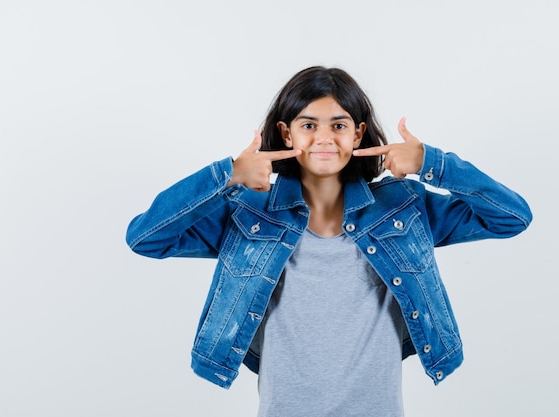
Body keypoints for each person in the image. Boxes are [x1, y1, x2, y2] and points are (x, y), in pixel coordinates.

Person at [125, 66, 532, 416]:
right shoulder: (249, 214)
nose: (324, 138)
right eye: (308, 125)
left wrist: (433, 164)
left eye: (338, 125)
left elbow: (511, 217)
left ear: (357, 134)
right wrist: (227, 174)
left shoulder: (404, 208)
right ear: (286, 134)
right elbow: (146, 237)